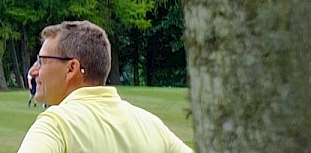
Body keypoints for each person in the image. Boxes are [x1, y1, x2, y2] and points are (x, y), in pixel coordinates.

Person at [17, 21, 192, 153]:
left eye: (42, 61)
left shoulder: (56, 125)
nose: (34, 71)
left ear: (71, 68)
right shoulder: (152, 125)